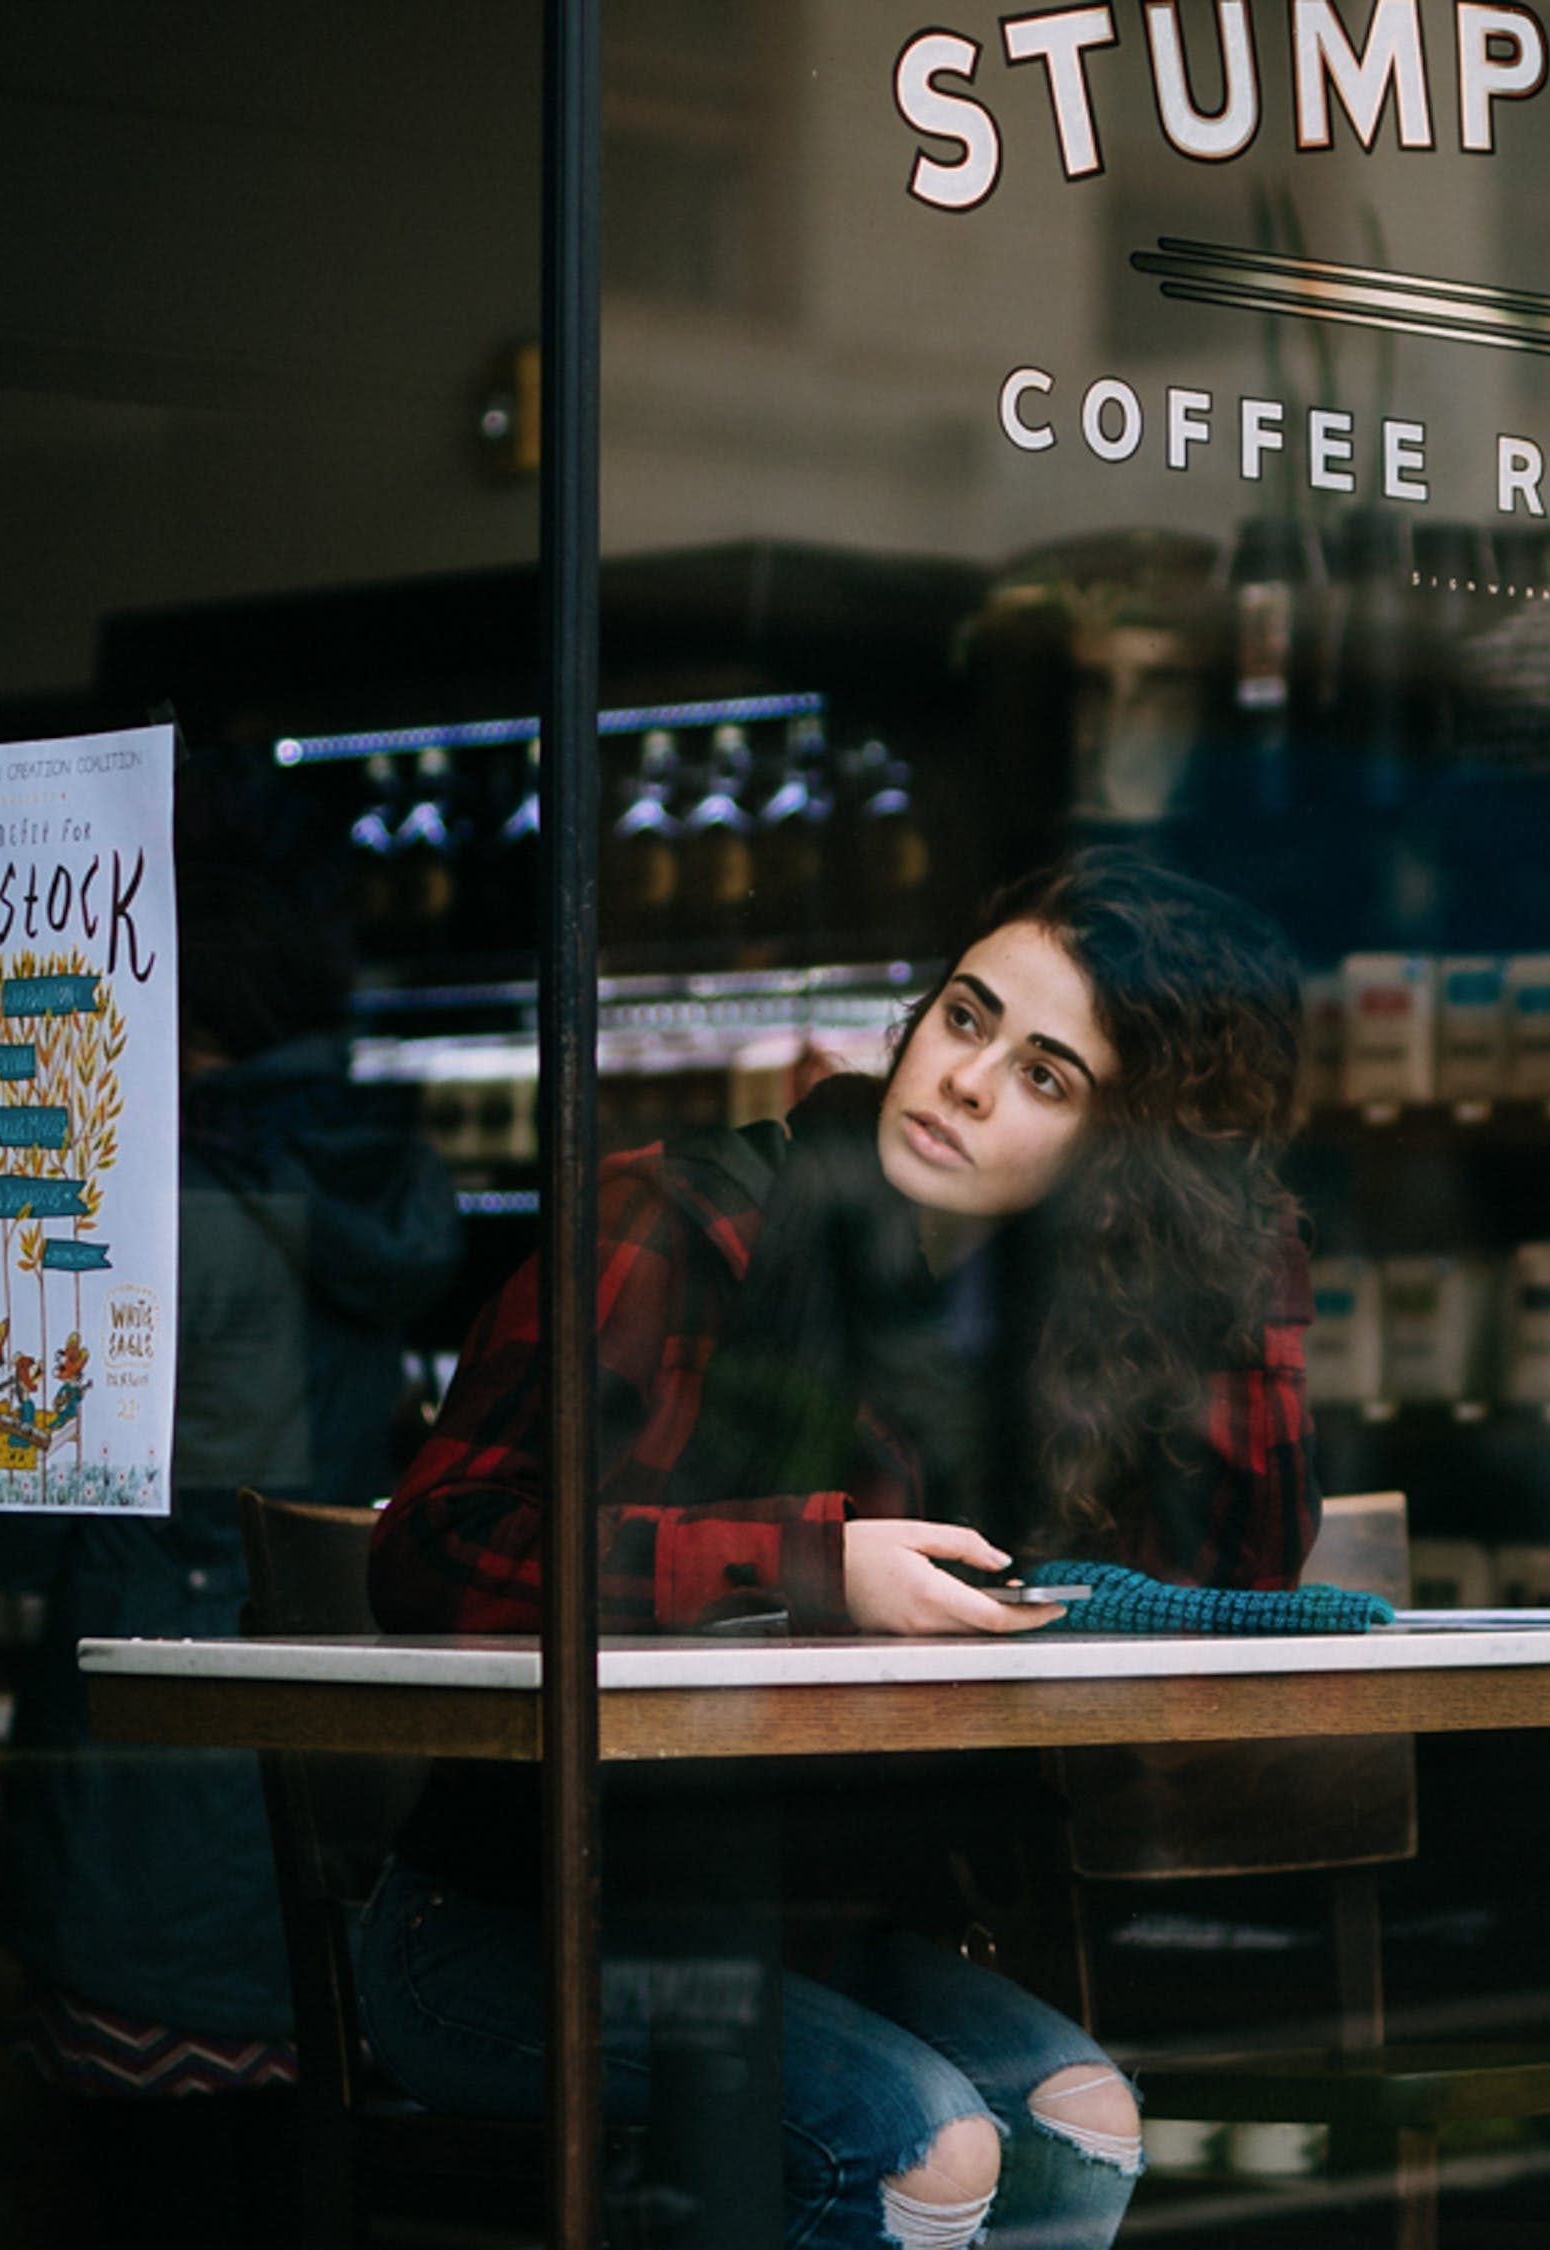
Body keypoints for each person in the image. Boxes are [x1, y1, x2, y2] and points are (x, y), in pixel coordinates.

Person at [359, 849, 1318, 2250]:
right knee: (919, 2139)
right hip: (501, 1923)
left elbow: (1234, 1591)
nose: (969, 1080)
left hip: (809, 1923)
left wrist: (1244, 1263)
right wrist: (816, 1563)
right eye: (969, 1016)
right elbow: (434, 1552)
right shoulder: (688, 1219)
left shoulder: (1059, 1342)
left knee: (1084, 2119)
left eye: (1049, 1078)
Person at [0, 811, 461, 2246]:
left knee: (148, 2207)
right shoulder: (365, 1167)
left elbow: (2, 1536)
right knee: (301, 2193)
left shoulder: (132, 1199)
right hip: (334, 1779)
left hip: (143, 1804)